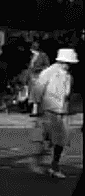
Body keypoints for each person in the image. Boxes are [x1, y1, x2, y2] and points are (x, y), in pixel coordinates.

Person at [31, 47, 78, 179]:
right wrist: (37, 106)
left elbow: (67, 94)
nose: (69, 65)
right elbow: (38, 89)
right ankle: (37, 162)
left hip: (61, 110)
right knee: (44, 137)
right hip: (48, 109)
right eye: (68, 62)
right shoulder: (49, 72)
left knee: (61, 139)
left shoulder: (68, 75)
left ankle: (54, 165)